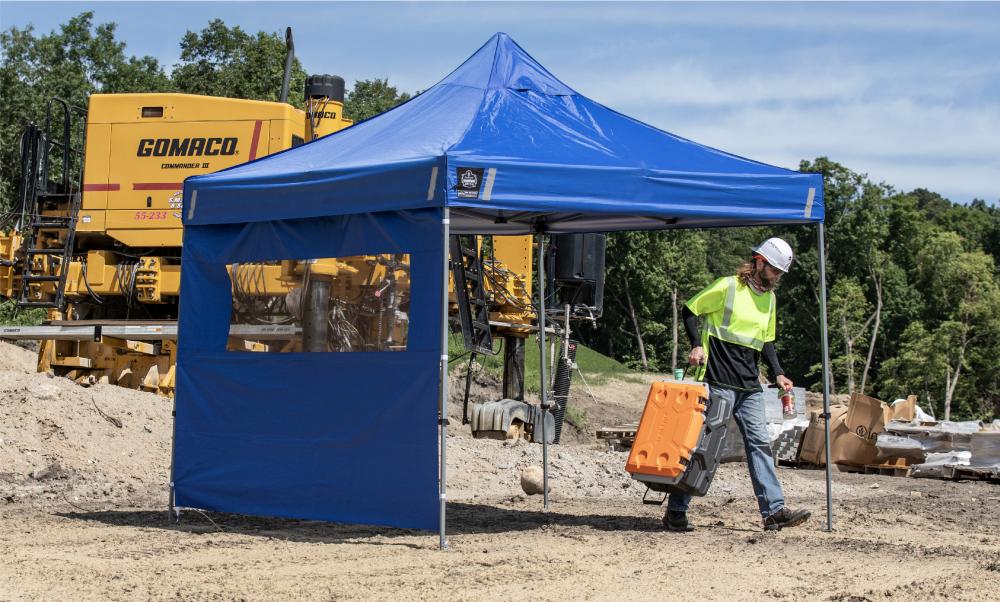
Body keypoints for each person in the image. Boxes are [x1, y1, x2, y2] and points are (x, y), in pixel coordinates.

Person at [664, 237, 811, 533]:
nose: (777, 277)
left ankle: (773, 512)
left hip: (750, 386)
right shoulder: (727, 286)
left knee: (759, 445)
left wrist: (779, 373)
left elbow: (766, 341)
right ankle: (676, 511)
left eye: (781, 273)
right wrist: (695, 345)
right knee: (703, 447)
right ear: (759, 262)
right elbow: (691, 310)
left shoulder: (769, 299)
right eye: (774, 270)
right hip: (717, 381)